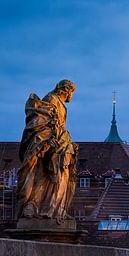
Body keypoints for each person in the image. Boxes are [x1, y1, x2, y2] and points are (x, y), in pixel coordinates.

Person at [16, 79, 78, 222]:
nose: (72, 95)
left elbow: (60, 126)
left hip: (59, 142)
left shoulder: (62, 104)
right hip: (46, 142)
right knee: (44, 173)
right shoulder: (51, 99)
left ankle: (57, 209)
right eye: (72, 92)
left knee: (64, 172)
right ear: (66, 90)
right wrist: (50, 139)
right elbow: (41, 120)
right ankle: (36, 206)